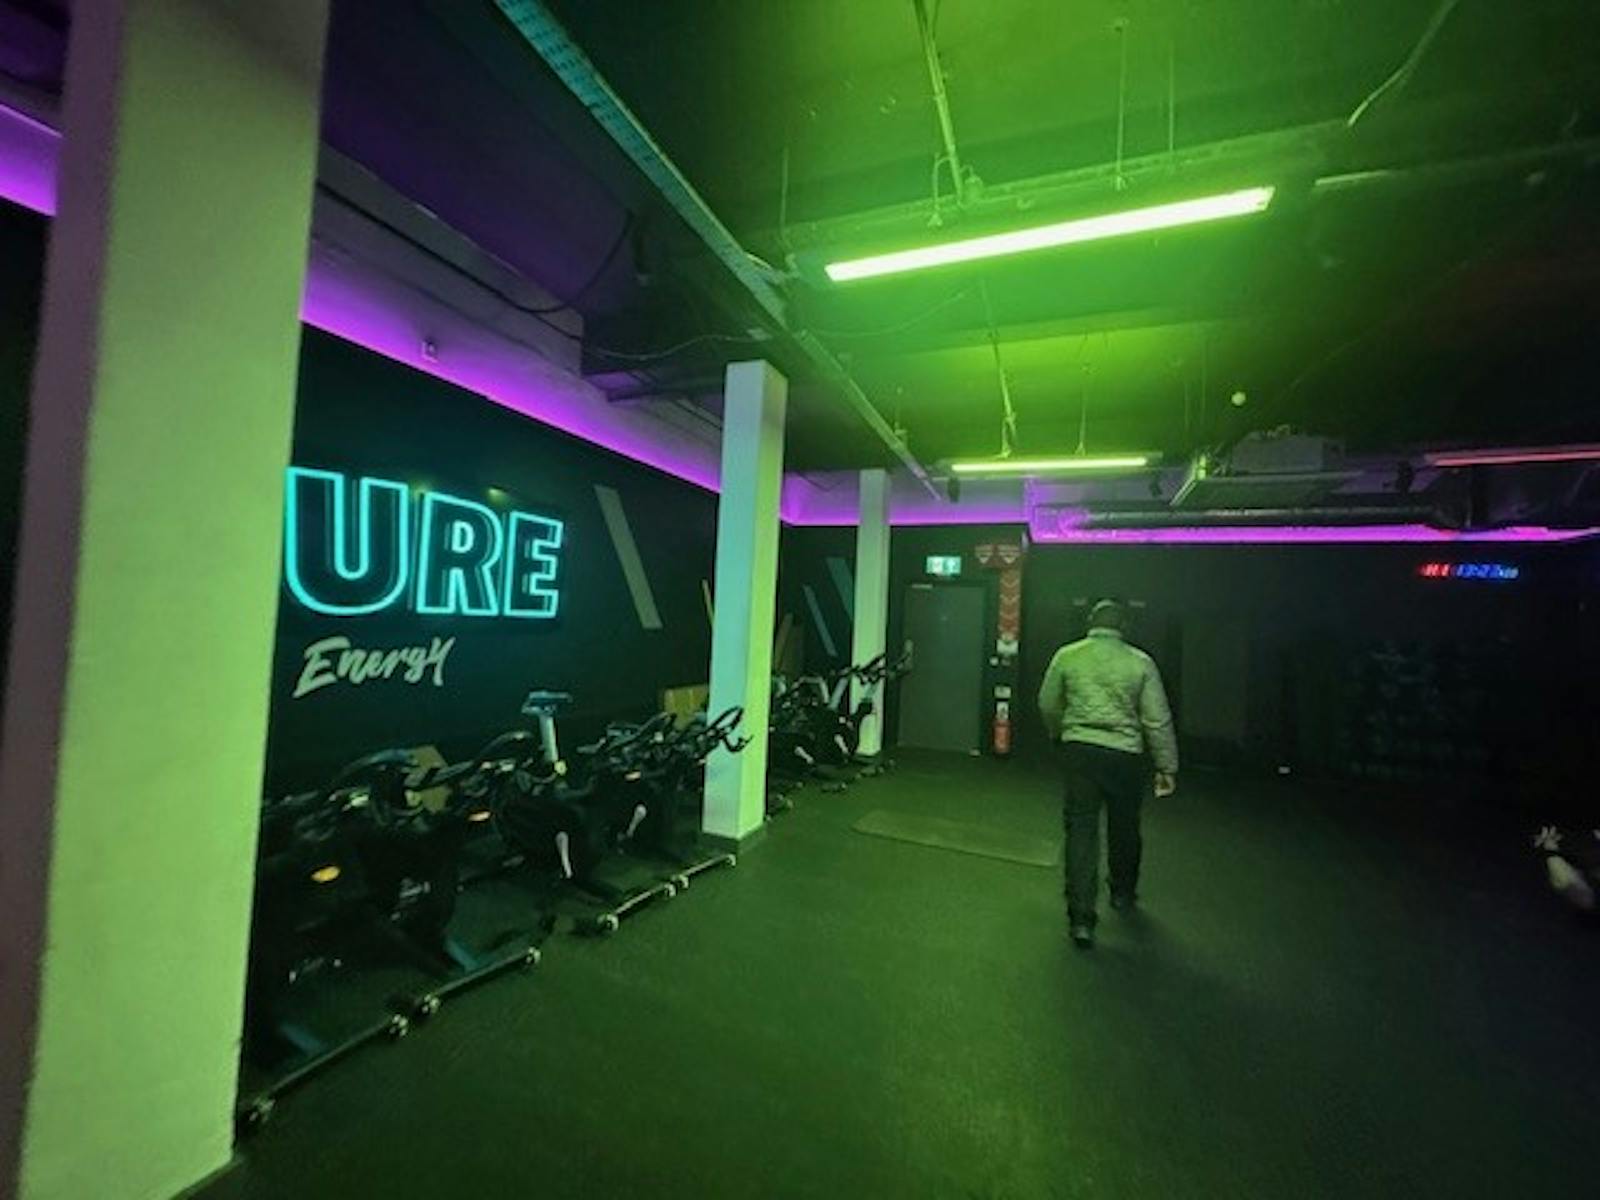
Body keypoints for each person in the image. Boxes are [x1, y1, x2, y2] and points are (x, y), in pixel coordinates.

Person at [1037, 600, 1178, 949]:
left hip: (1081, 750)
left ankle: (1081, 919)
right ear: (1124, 627)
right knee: (1125, 825)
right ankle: (1122, 892)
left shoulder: (1068, 656)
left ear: (1090, 622)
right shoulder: (1140, 662)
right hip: (1125, 755)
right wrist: (1166, 765)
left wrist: (1059, 733)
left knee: (1081, 831)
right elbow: (1157, 719)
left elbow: (1047, 703)